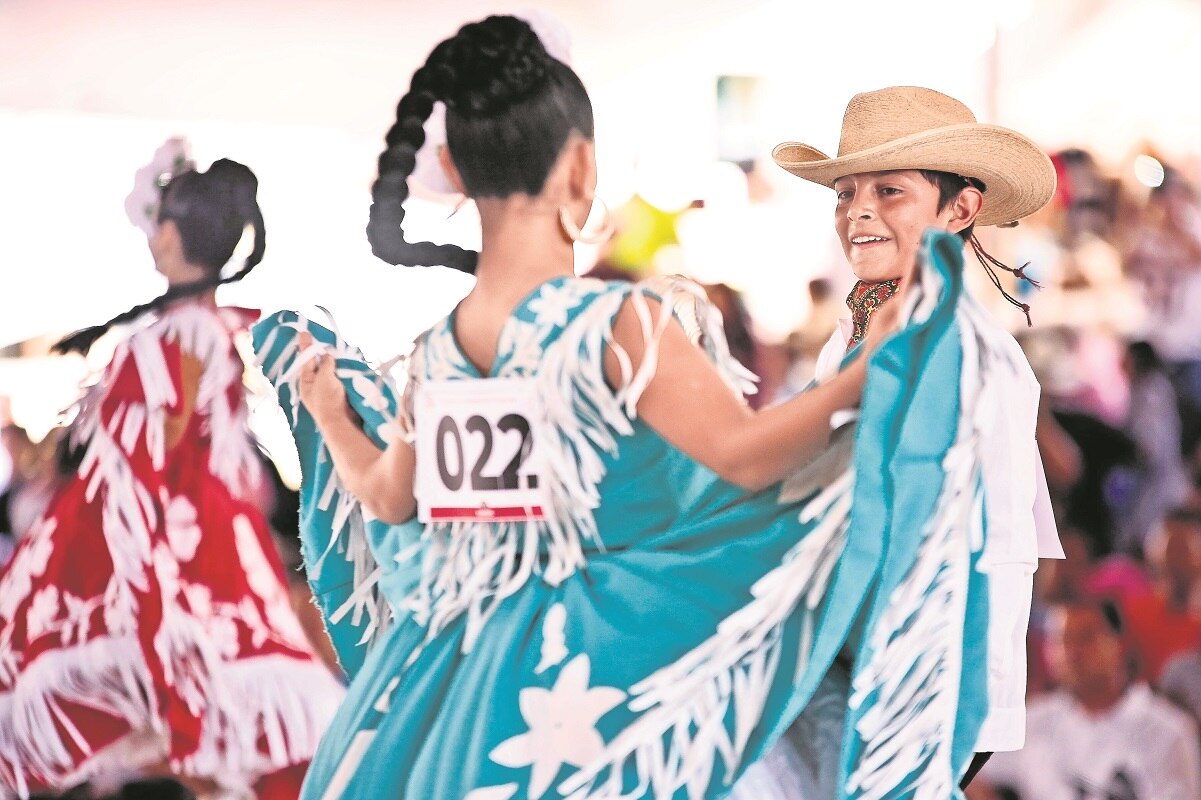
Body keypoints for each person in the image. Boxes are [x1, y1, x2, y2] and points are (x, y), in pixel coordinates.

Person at [254, 18, 1020, 800]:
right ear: (582, 168)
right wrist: (873, 368)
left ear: (452, 168)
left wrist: (329, 412)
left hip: (441, 694)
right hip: (584, 684)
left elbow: (385, 496)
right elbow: (748, 456)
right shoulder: (615, 325)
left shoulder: (438, 353)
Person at [0, 143, 343, 798]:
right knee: (206, 726)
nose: (152, 236)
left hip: (164, 535)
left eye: (161, 223)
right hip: (191, 532)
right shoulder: (198, 329)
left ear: (180, 235)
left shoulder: (180, 336)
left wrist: (138, 540)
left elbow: (163, 444)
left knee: (196, 714)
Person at [770, 86, 1066, 782]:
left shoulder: (973, 360)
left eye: (888, 191)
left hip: (924, 689)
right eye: (844, 193)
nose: (857, 212)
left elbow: (977, 554)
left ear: (959, 209)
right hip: (848, 672)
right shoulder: (852, 336)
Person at [973, 600, 1201, 800]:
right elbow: (969, 777)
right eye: (1061, 640)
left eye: (1086, 637)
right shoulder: (1031, 721)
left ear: (1119, 644)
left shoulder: (1169, 730)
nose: (1072, 651)